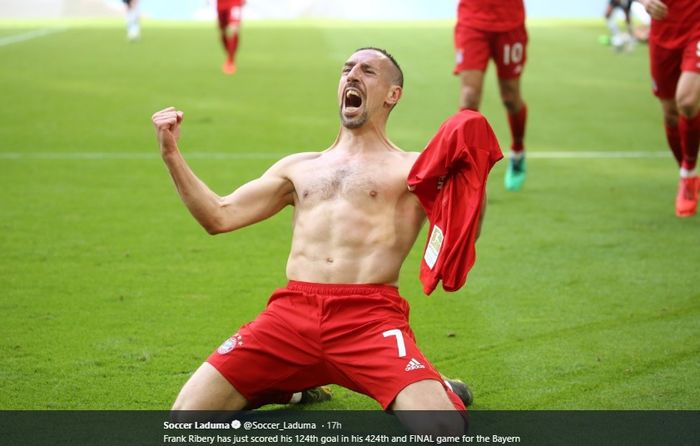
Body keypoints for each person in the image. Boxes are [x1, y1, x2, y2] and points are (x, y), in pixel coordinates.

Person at [152, 48, 478, 432]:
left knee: (443, 430)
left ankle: (435, 385)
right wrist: (171, 153)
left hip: (369, 320)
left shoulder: (416, 168)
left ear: (393, 94)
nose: (353, 75)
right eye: (347, 69)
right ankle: (291, 387)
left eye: (368, 71)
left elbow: (464, 207)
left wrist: (470, 151)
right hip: (290, 317)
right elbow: (218, 216)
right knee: (185, 421)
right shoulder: (299, 167)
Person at [454, 0, 528, 191]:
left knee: (510, 98)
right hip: (472, 20)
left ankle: (518, 150)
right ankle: (466, 168)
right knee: (469, 96)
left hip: (509, 21)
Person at [638, 0, 700, 217]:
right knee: (671, 114)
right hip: (663, 32)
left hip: (697, 29)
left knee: (687, 101)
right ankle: (686, 173)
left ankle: (688, 173)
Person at [216, 0, 245, 75]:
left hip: (235, 2)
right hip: (221, 3)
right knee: (223, 31)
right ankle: (229, 55)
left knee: (234, 28)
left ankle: (230, 60)